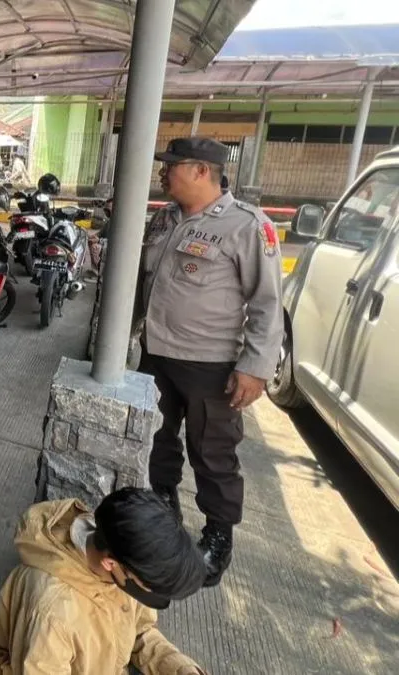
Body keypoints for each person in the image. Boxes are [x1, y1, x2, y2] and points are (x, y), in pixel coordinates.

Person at [137, 137, 284, 587]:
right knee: (157, 440)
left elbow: (267, 302)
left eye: (172, 166)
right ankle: (163, 508)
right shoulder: (166, 217)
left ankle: (218, 537)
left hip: (211, 363)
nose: (163, 172)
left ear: (202, 171)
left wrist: (255, 366)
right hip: (157, 352)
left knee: (213, 453)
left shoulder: (247, 226)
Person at [0, 488, 209, 675]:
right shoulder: (53, 614)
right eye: (150, 584)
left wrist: (180, 669)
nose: (151, 590)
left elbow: (140, 631)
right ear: (111, 564)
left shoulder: (121, 545)